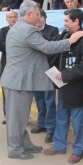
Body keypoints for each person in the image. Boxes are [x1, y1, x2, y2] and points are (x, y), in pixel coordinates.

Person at [0, 0, 83, 160]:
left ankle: (24, 143)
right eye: (38, 14)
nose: (40, 17)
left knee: (20, 116)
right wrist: (70, 41)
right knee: (16, 118)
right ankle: (15, 148)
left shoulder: (18, 26)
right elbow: (47, 47)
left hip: (17, 79)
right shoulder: (28, 30)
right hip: (19, 81)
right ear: (30, 13)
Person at [44, 9, 83, 164]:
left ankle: (78, 149)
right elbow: (54, 48)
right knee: (61, 116)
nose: (64, 23)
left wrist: (65, 75)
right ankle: (59, 144)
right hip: (63, 85)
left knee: (78, 121)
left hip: (76, 87)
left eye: (67, 21)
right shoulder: (65, 35)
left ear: (76, 21)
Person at [30, 9, 59, 143]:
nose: (39, 19)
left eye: (41, 16)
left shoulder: (53, 30)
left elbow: (52, 47)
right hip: (36, 70)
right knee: (39, 99)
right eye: (38, 16)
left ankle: (51, 128)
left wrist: (38, 34)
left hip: (49, 69)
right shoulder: (31, 31)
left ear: (45, 18)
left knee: (49, 101)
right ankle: (41, 123)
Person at [0, 10, 18, 125]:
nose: (13, 19)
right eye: (10, 17)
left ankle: (19, 116)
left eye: (14, 17)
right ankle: (6, 115)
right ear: (7, 19)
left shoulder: (22, 30)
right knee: (6, 93)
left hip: (19, 68)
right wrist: (12, 43)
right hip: (7, 66)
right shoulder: (3, 30)